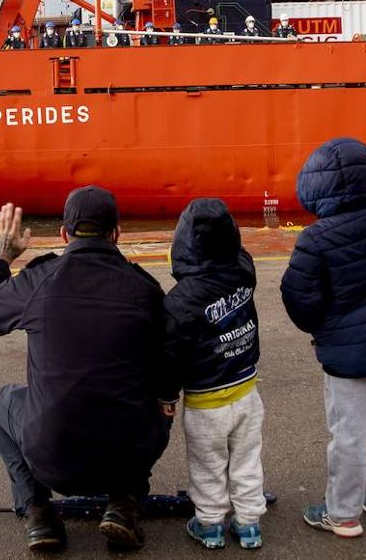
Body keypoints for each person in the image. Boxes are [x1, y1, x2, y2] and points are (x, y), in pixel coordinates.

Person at [0, 188, 172, 552]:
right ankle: (125, 502)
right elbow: (168, 359)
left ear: (63, 234)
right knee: (160, 398)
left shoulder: (38, 279)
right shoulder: (145, 288)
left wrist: (2, 257)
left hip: (52, 460)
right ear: (117, 233)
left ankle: (39, 512)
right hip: (125, 457)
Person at [280, 109, 366, 539]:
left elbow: (298, 300)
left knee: (348, 435)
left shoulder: (315, 239)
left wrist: (322, 326)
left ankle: (342, 514)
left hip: (344, 353)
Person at [161, 198, 265, 551]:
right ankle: (249, 525)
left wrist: (166, 395)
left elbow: (170, 355)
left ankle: (209, 525)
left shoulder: (179, 301)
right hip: (248, 392)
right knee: (247, 460)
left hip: (206, 401)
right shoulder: (243, 270)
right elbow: (240, 255)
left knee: (207, 466)